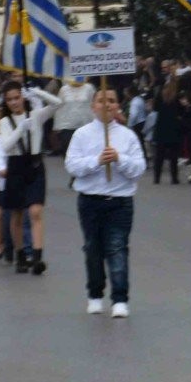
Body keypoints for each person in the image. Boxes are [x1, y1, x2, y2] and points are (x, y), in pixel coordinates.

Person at [65, 85, 147, 318]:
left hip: (120, 202)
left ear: (118, 105)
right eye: (101, 100)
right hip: (90, 201)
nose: (107, 104)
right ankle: (95, 294)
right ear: (93, 106)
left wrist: (119, 159)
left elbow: (139, 169)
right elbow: (72, 166)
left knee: (117, 247)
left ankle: (120, 298)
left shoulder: (127, 136)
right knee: (93, 249)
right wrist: (97, 161)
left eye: (111, 100)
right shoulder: (81, 135)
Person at [0, 83, 60, 275]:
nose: (14, 102)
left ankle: (36, 257)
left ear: (23, 97)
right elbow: (7, 146)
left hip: (34, 165)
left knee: (35, 211)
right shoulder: (4, 122)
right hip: (16, 166)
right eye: (9, 99)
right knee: (17, 214)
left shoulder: (35, 115)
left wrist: (37, 91)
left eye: (17, 97)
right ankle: (20, 254)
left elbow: (57, 104)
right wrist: (20, 128)